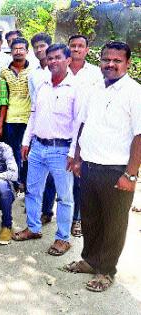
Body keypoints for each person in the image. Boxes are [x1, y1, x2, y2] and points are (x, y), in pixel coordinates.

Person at [64, 41, 141, 292]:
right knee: (91, 218)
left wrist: (130, 174)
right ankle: (90, 259)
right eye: (106, 59)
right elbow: (83, 124)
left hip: (116, 169)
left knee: (114, 223)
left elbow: (139, 136)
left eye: (117, 60)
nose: (110, 64)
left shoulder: (135, 92)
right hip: (89, 166)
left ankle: (106, 271)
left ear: (127, 63)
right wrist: (77, 157)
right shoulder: (95, 88)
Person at [15, 44, 82, 257]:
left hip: (61, 150)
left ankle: (63, 238)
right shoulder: (42, 84)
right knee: (33, 191)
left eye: (58, 57)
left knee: (64, 197)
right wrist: (27, 141)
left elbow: (79, 123)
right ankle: (33, 228)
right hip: (37, 147)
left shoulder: (76, 88)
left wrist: (74, 154)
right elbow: (33, 114)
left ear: (68, 60)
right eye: (50, 58)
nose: (53, 61)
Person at [67, 34, 104, 237]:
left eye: (81, 46)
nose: (76, 49)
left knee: (79, 178)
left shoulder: (96, 74)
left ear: (87, 50)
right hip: (60, 131)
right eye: (73, 46)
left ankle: (78, 219)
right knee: (56, 179)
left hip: (83, 132)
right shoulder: (58, 69)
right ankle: (47, 213)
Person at [27, 32, 56, 225]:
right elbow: (34, 104)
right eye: (36, 47)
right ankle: (34, 217)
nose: (39, 49)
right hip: (39, 128)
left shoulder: (60, 69)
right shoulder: (34, 73)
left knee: (53, 177)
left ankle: (47, 210)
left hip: (58, 131)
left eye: (43, 45)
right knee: (35, 178)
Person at [0, 37, 32, 192]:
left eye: (21, 48)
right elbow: (2, 97)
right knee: (12, 152)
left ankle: (25, 181)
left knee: (27, 152)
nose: (18, 51)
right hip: (10, 118)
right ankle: (15, 182)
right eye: (15, 49)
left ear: (27, 51)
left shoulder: (34, 71)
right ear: (10, 51)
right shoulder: (4, 72)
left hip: (28, 118)